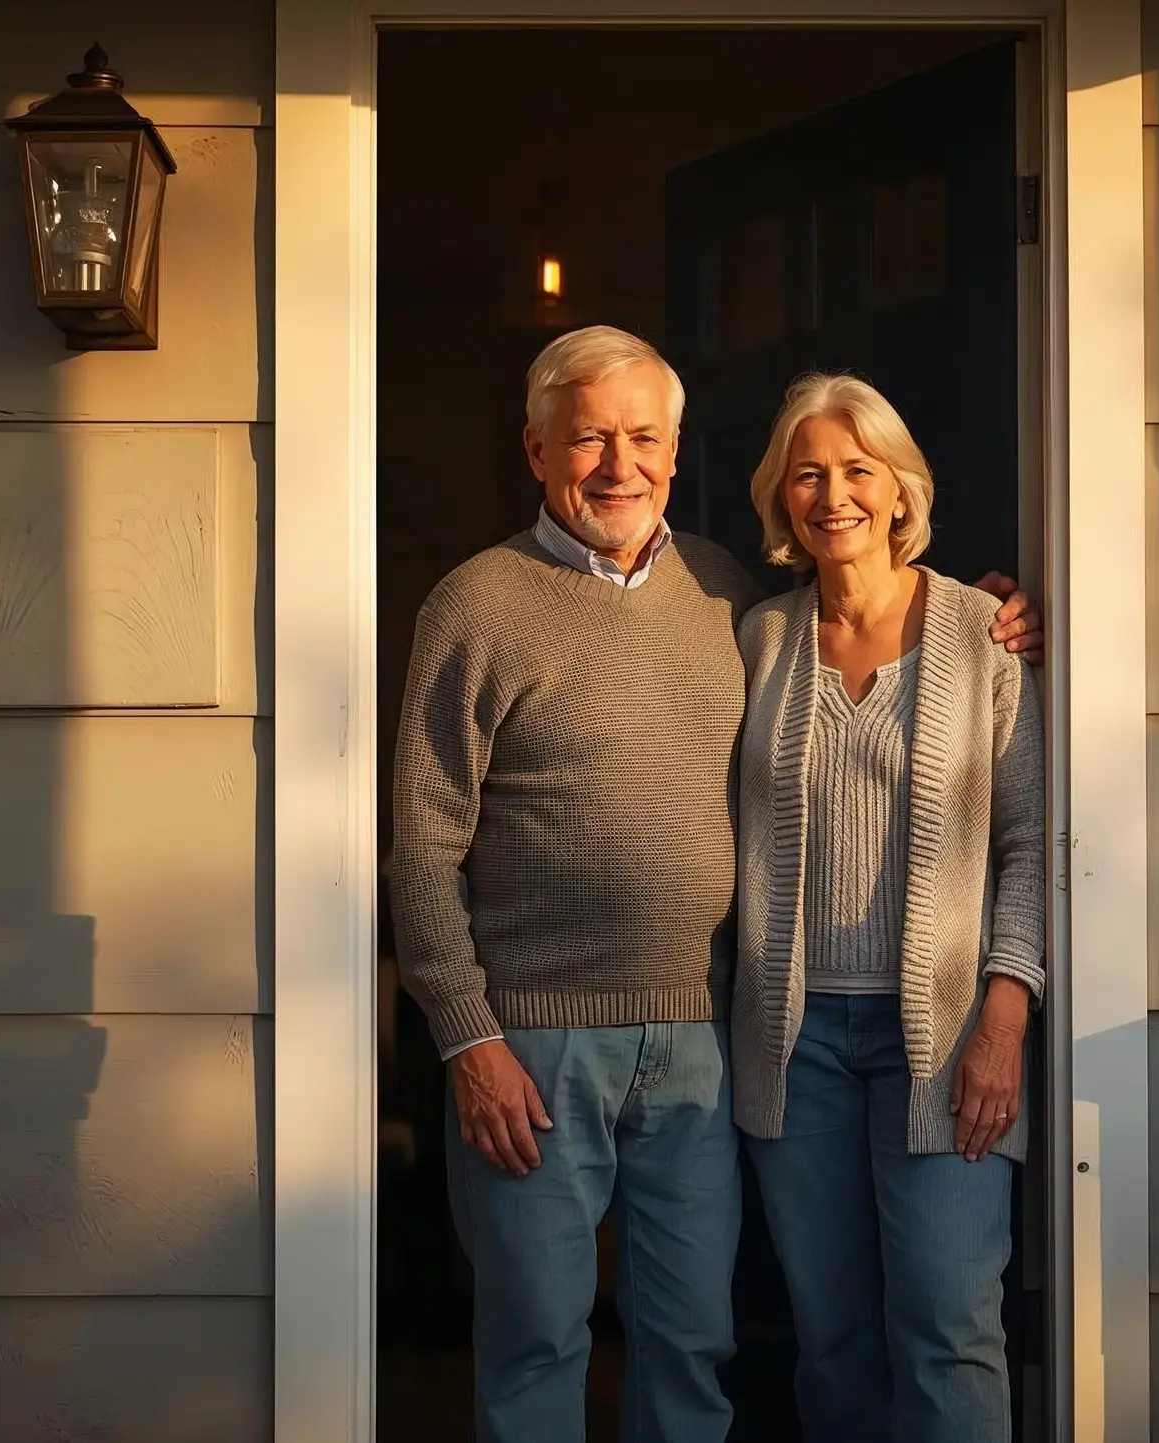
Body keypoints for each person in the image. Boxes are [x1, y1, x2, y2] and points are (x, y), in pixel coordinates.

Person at [391, 326, 1041, 1443]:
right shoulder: (496, 605)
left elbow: (1000, 806)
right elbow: (420, 840)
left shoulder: (728, 594)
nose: (617, 463)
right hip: (564, 1043)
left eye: (643, 436)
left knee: (709, 1348)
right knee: (544, 1339)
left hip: (715, 1037)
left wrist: (994, 614)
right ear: (535, 449)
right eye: (587, 437)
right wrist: (466, 1038)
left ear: (678, 452)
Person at [732, 373, 1047, 1443]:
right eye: (807, 473)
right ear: (783, 497)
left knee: (950, 1328)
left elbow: (1026, 844)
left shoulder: (983, 633)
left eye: (857, 469)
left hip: (948, 1039)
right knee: (830, 1337)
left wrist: (1004, 1020)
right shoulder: (758, 642)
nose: (833, 494)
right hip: (795, 1039)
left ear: (900, 489)